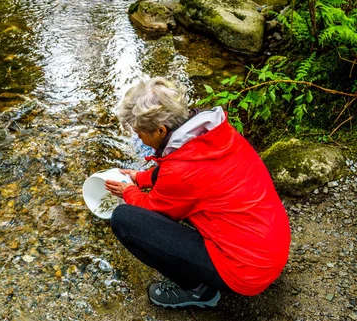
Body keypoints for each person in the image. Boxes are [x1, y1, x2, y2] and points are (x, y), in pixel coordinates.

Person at [104, 77, 290, 308]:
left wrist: (129, 191)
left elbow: (152, 209)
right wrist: (139, 177)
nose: (138, 137)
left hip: (246, 270)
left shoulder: (180, 171)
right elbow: (183, 174)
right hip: (270, 247)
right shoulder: (215, 135)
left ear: (161, 130)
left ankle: (197, 291)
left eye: (140, 132)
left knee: (124, 219)